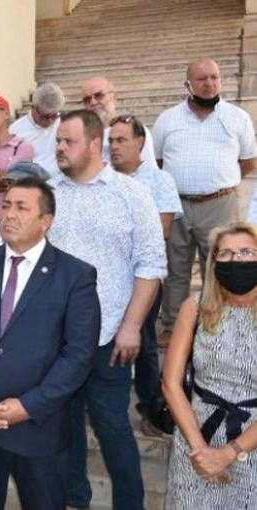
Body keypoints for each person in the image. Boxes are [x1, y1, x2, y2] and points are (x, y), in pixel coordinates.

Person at [0, 177, 101, 509]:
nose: (9, 214)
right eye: (7, 205)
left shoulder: (75, 276)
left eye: (22, 208)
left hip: (38, 432)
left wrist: (28, 406)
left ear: (46, 221)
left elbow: (78, 356)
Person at [50, 110, 167, 510]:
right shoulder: (47, 194)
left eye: (68, 141)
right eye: (58, 141)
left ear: (93, 145)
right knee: (63, 428)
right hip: (56, 338)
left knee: (113, 429)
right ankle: (73, 501)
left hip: (110, 337)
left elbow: (151, 265)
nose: (60, 148)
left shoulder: (132, 194)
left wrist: (132, 326)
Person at [154, 58, 257, 348]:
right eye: (202, 79)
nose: (210, 84)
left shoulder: (237, 117)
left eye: (214, 77)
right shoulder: (167, 120)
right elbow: (158, 162)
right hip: (176, 206)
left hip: (220, 204)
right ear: (187, 84)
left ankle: (219, 323)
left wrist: (218, 183)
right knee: (175, 269)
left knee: (222, 266)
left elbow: (248, 161)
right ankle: (172, 326)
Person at [162, 222, 257, 508]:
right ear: (213, 261)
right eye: (225, 253)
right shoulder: (195, 306)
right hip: (195, 436)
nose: (236, 260)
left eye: (246, 252)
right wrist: (201, 450)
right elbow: (170, 383)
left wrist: (229, 453)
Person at [108, 114, 184, 435]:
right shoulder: (101, 178)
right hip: (104, 278)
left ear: (140, 142)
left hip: (143, 278)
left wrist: (114, 232)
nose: (114, 147)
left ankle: (151, 408)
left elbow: (162, 229)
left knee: (145, 344)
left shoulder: (159, 180)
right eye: (111, 141)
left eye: (121, 140)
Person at [81, 76, 157, 166]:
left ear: (114, 97)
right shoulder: (81, 136)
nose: (93, 102)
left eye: (98, 95)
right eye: (87, 99)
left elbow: (149, 170)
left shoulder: (134, 130)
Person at [0, 161, 52, 249]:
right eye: (9, 183)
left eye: (19, 184)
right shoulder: (6, 215)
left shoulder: (47, 216)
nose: (10, 188)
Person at [10, 81, 65, 177]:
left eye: (54, 115)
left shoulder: (63, 123)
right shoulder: (16, 130)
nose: (50, 121)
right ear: (33, 108)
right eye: (45, 116)